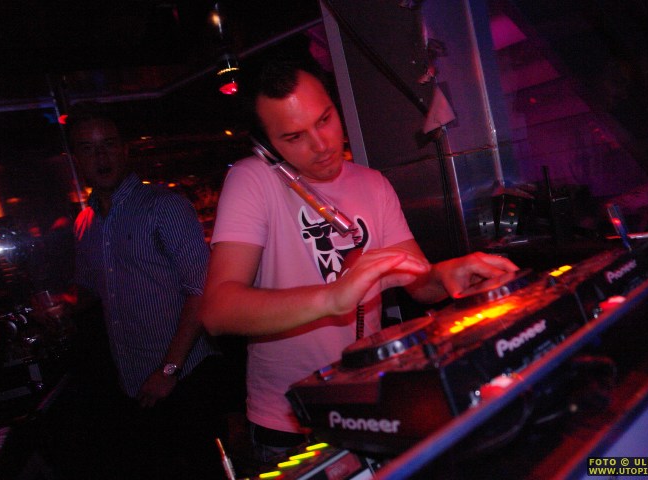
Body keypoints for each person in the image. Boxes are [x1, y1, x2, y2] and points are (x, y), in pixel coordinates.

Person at [199, 57, 519, 464]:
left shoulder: (373, 184)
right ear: (267, 147)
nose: (321, 145)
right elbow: (219, 310)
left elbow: (417, 282)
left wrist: (446, 274)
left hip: (372, 409)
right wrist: (334, 297)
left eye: (325, 120)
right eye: (294, 137)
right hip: (291, 423)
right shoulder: (252, 180)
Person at [48, 104, 236, 480]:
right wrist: (63, 305)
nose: (100, 157)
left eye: (108, 144)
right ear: (76, 159)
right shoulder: (85, 221)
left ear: (125, 149)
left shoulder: (163, 207)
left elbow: (202, 289)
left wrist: (169, 369)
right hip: (134, 381)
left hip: (186, 375)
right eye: (88, 148)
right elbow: (91, 288)